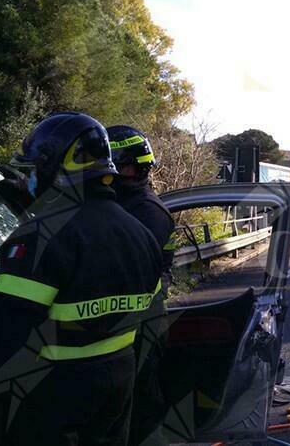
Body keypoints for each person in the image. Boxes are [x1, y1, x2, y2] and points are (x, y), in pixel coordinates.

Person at [0, 112, 163, 446]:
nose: (31, 180)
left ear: (55, 170)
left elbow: (6, 339)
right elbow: (153, 321)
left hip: (53, 396)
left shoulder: (39, 238)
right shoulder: (141, 234)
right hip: (120, 382)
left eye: (35, 172)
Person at [106, 125, 176, 446]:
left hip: (142, 323)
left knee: (142, 403)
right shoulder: (122, 206)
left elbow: (123, 272)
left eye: (121, 167)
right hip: (123, 324)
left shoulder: (148, 212)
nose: (115, 174)